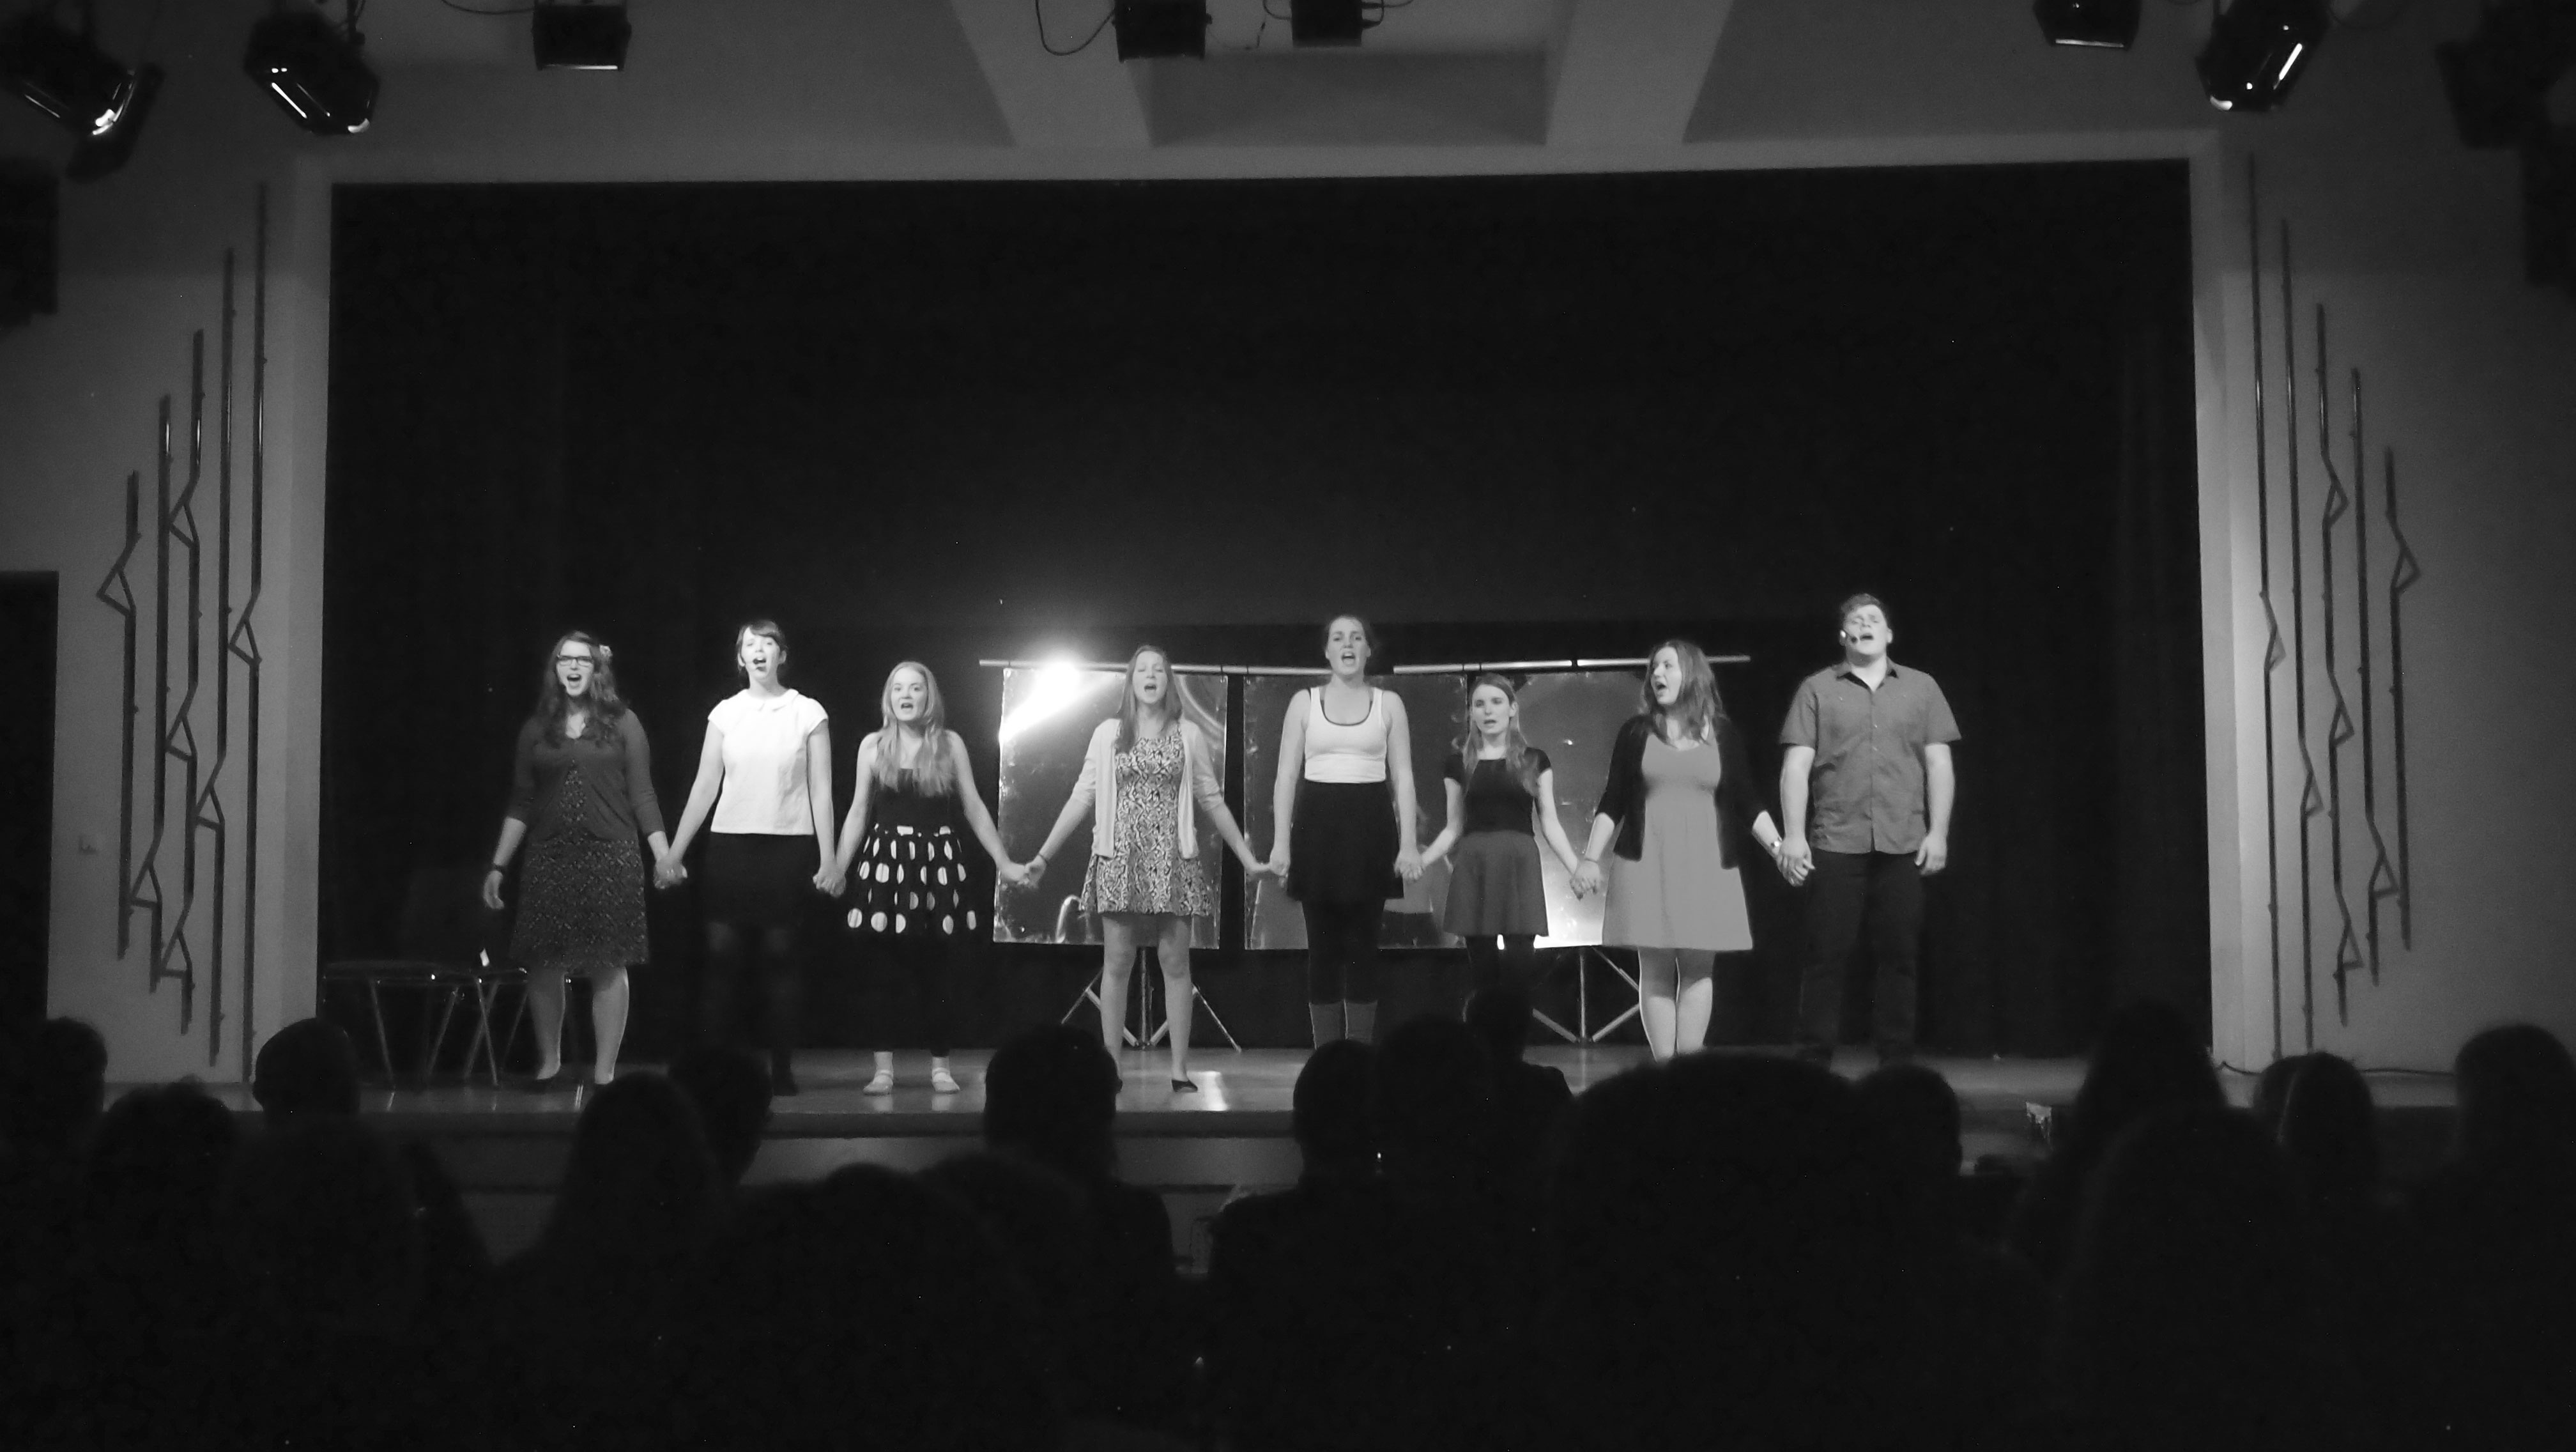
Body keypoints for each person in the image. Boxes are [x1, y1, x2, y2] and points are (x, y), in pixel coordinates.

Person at [1018, 645, 1265, 1091]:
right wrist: (1043, 856)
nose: (1151, 677)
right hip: (1120, 859)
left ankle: (1179, 1070)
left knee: (1175, 962)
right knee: (1117, 962)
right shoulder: (1108, 733)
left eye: (1159, 670)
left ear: (1169, 681)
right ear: (1131, 681)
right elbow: (1082, 796)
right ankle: (1110, 1069)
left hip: (1173, 860)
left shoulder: (1188, 734)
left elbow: (1211, 800)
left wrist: (1248, 860)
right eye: (1142, 670)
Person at [1570, 640, 1784, 1062]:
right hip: (1648, 862)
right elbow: (1613, 801)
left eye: (1667, 666)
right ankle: (1665, 1070)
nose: (1657, 674)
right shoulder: (1636, 733)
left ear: (1693, 673)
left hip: (1707, 864)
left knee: (1699, 969)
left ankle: (1688, 1068)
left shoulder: (1721, 733)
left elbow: (1747, 801)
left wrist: (1780, 849)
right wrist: (1591, 858)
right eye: (1654, 668)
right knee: (1654, 970)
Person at [1777, 593, 1959, 1067]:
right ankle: (1814, 1062)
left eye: (1873, 619)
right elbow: (1796, 767)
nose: (1864, 625)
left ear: (1888, 634)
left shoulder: (1922, 688)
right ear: (1844, 637)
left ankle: (1896, 1062)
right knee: (1825, 955)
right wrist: (1793, 835)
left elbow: (1939, 764)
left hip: (1904, 840)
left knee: (1900, 955)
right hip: (1837, 840)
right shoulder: (1817, 689)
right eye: (1855, 621)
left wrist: (1939, 832)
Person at [481, 631, 668, 1088]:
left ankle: (605, 1071)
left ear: (597, 668)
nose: (573, 667)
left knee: (609, 960)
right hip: (550, 855)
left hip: (611, 855)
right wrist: (498, 866)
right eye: (565, 660)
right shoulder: (537, 728)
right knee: (544, 962)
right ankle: (550, 1063)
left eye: (582, 660)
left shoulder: (623, 723)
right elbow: (522, 801)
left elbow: (643, 793)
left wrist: (663, 854)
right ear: (556, 668)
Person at [825, 661, 1015, 1096]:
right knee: (882, 973)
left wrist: (1003, 861)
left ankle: (940, 1067)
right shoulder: (873, 746)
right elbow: (858, 811)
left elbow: (973, 806)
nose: (906, 695)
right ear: (888, 697)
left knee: (939, 972)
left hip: (937, 868)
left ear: (929, 696)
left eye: (915, 688)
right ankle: (883, 1070)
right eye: (898, 688)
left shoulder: (949, 744)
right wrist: (837, 866)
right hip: (886, 867)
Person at [662, 621, 834, 1097]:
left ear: (782, 654)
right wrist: (674, 852)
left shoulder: (807, 712)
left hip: (787, 844)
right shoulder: (725, 713)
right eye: (749, 646)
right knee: (722, 957)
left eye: (768, 644)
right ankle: (711, 1068)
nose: (759, 652)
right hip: (731, 846)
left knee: (781, 955)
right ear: (740, 659)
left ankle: (781, 1069)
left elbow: (821, 789)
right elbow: (705, 786)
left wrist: (830, 858)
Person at [1267, 614, 1423, 1048]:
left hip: (1370, 831)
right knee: (1321, 949)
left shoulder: (1389, 704)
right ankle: (1326, 1055)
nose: (1348, 645)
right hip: (1317, 831)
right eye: (1338, 638)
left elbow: (1404, 777)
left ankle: (1357, 1053)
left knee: (1362, 948)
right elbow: (1285, 776)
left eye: (1356, 638)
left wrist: (1409, 844)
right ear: (1327, 650)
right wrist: (1281, 843)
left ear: (1369, 650)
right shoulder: (1304, 702)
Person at [1418, 674, 1584, 1000]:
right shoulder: (1458, 764)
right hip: (1474, 864)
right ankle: (1486, 1030)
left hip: (1519, 863)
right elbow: (1453, 827)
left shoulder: (1534, 760)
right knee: (1483, 973)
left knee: (1520, 969)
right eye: (1479, 704)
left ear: (1512, 708)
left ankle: (1514, 1029)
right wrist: (1421, 861)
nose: (1488, 710)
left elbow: (1550, 823)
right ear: (1471, 713)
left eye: (1496, 702)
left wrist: (1576, 868)